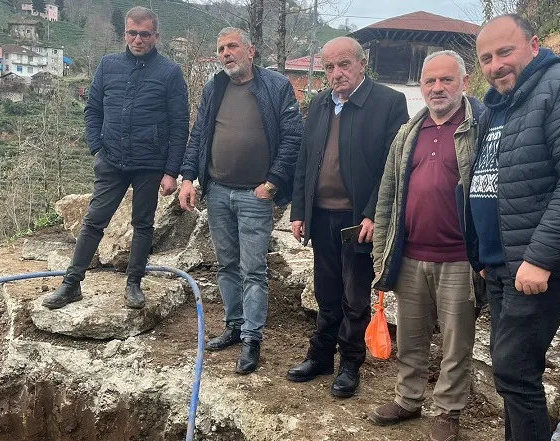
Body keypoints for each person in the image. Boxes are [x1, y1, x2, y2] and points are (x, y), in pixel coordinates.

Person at [468, 14, 560, 441]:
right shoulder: (499, 104)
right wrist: (482, 253)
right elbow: (491, 178)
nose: (495, 65)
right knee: (511, 370)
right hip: (503, 263)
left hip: (539, 263)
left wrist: (539, 259)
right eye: (486, 58)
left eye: (505, 52)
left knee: (514, 370)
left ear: (534, 46)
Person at [368, 50, 484, 441]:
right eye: (430, 81)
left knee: (456, 343)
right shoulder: (408, 133)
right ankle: (408, 399)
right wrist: (382, 253)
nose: (437, 88)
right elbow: (387, 195)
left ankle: (448, 412)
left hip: (459, 259)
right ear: (421, 86)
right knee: (411, 338)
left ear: (464, 82)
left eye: (446, 79)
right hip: (410, 255)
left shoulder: (479, 128)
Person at [42, 7, 189, 310]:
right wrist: (96, 148)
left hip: (150, 162)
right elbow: (93, 110)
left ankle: (134, 283)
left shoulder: (170, 72)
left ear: (156, 36)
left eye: (144, 34)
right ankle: (71, 284)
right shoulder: (108, 65)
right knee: (94, 221)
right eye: (132, 33)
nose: (138, 39)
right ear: (125, 33)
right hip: (110, 158)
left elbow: (179, 125)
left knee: (143, 224)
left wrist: (171, 171)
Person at [287, 36, 408, 398]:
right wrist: (299, 211)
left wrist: (373, 213)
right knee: (325, 291)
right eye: (329, 67)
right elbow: (305, 160)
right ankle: (321, 356)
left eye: (344, 65)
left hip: (358, 221)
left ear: (361, 64)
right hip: (321, 215)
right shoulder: (321, 103)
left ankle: (351, 363)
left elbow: (393, 167)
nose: (336, 73)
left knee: (355, 297)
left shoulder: (388, 102)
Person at [179, 27, 302, 374]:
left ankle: (251, 338)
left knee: (253, 269)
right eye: (221, 49)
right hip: (217, 191)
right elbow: (199, 135)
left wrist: (273, 183)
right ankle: (234, 326)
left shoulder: (276, 86)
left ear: (251, 50)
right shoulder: (215, 87)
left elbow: (293, 137)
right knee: (227, 265)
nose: (225, 53)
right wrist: (188, 178)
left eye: (232, 46)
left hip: (255, 195)